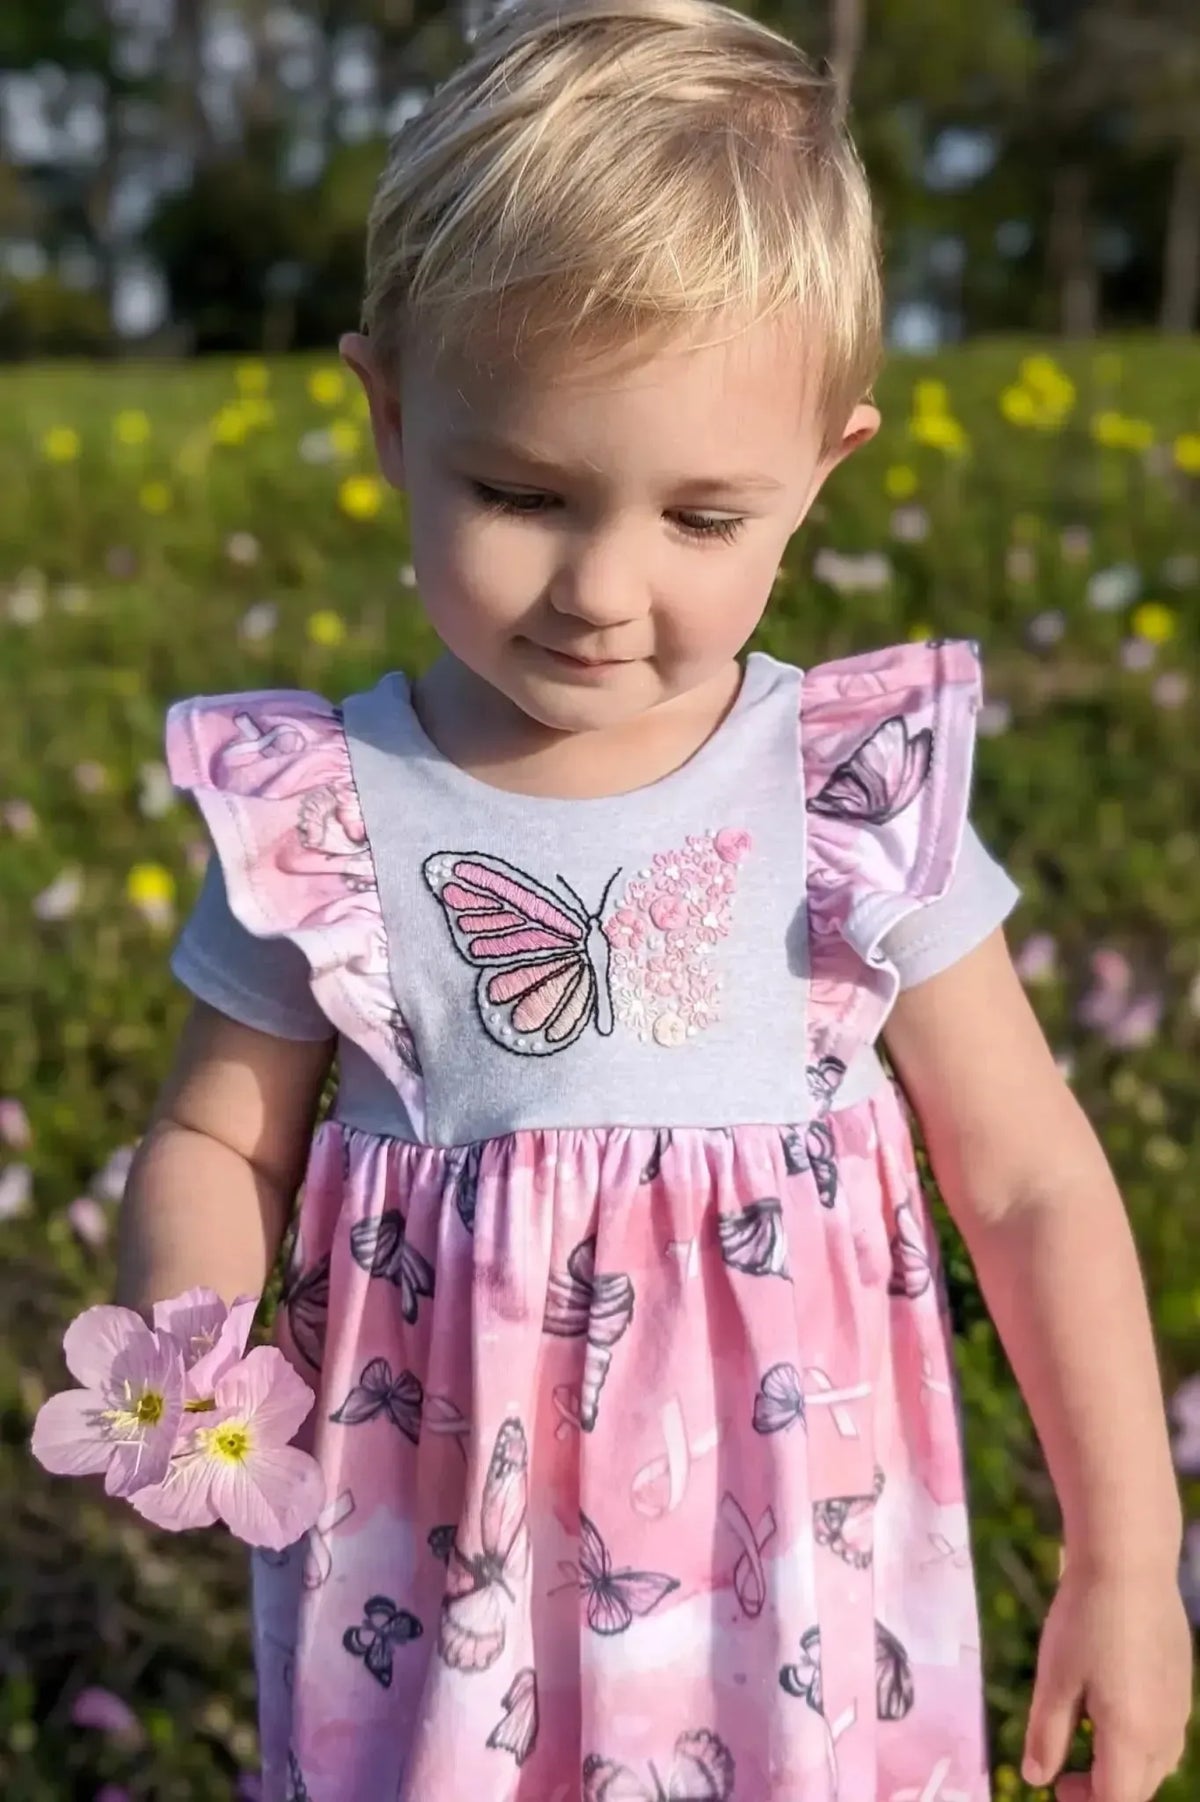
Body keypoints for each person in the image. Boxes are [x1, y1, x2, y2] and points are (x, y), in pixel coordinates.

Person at [115, 1, 1191, 1797]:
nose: (602, 587)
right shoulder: (332, 811)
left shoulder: (845, 795)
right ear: (390, 414)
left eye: (702, 519)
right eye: (522, 492)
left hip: (787, 1613)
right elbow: (218, 1138)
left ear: (824, 473)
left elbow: (1030, 1179)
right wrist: (195, 1333)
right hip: (445, 1602)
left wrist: (1129, 1556)